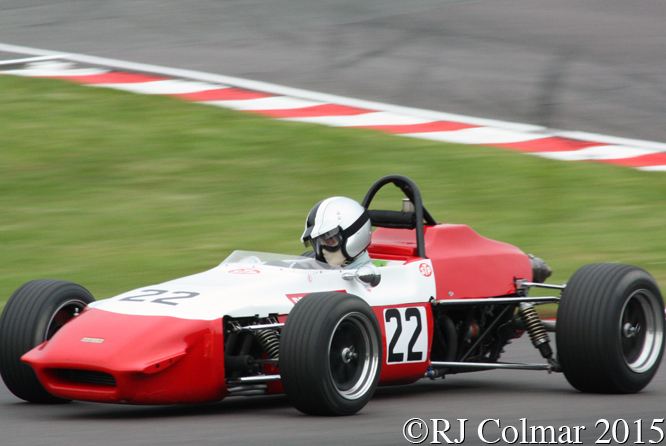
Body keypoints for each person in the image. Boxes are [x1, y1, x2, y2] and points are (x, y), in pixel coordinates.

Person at [301, 197, 372, 268]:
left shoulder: (368, 276)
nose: (323, 251)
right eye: (316, 242)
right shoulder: (309, 265)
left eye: (330, 239)